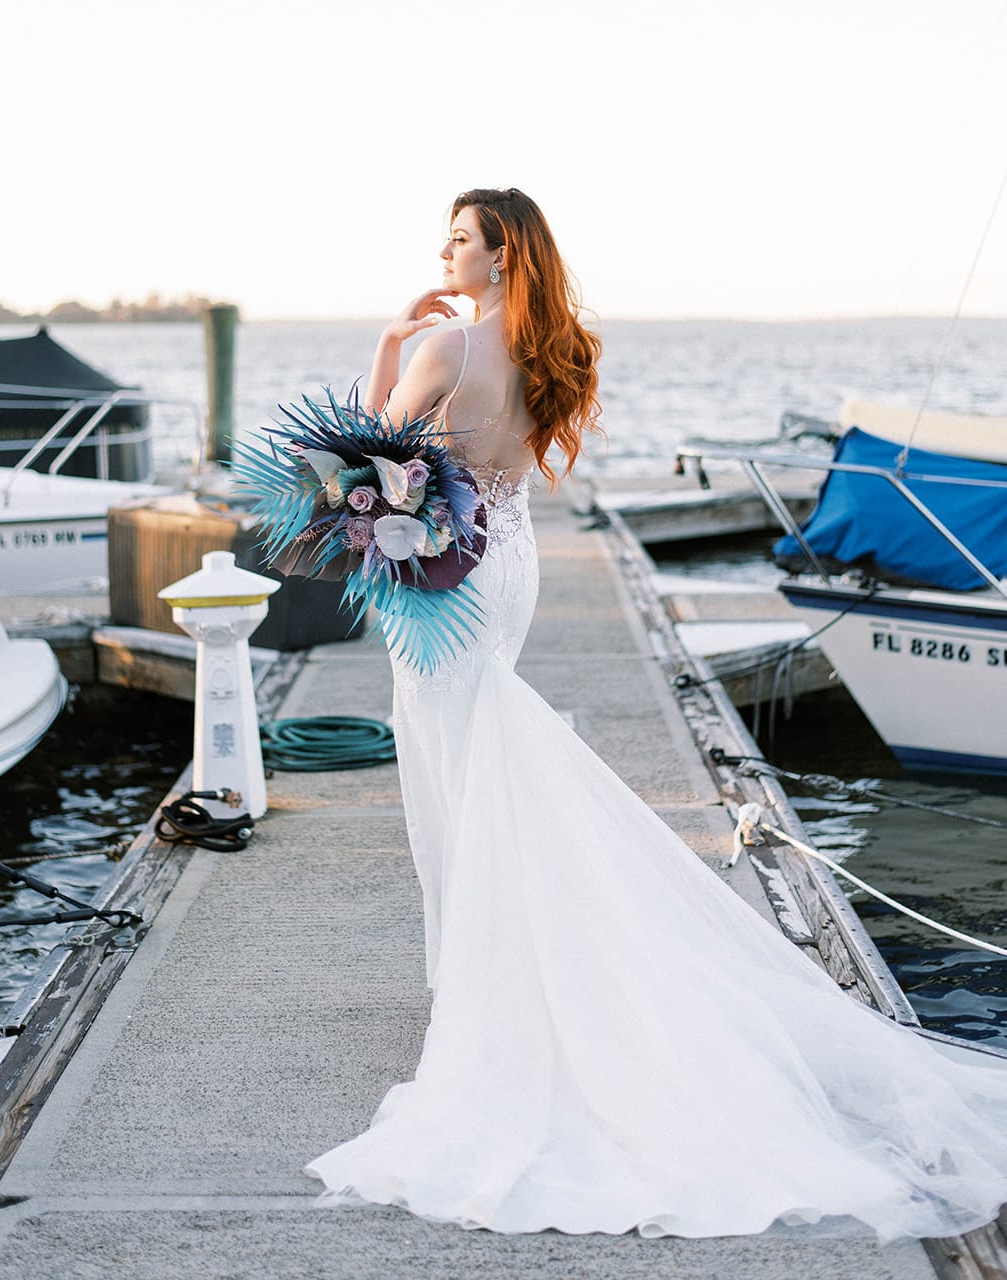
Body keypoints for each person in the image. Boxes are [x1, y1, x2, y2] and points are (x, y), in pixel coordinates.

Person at [303, 188, 1007, 1243]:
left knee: (452, 766)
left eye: (461, 238)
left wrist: (388, 340)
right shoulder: (553, 347)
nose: (443, 251)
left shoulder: (443, 349)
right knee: (486, 754)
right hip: (511, 562)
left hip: (445, 584)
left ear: (503, 256)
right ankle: (472, 972)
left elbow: (364, 465)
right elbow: (490, 468)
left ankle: (472, 983)